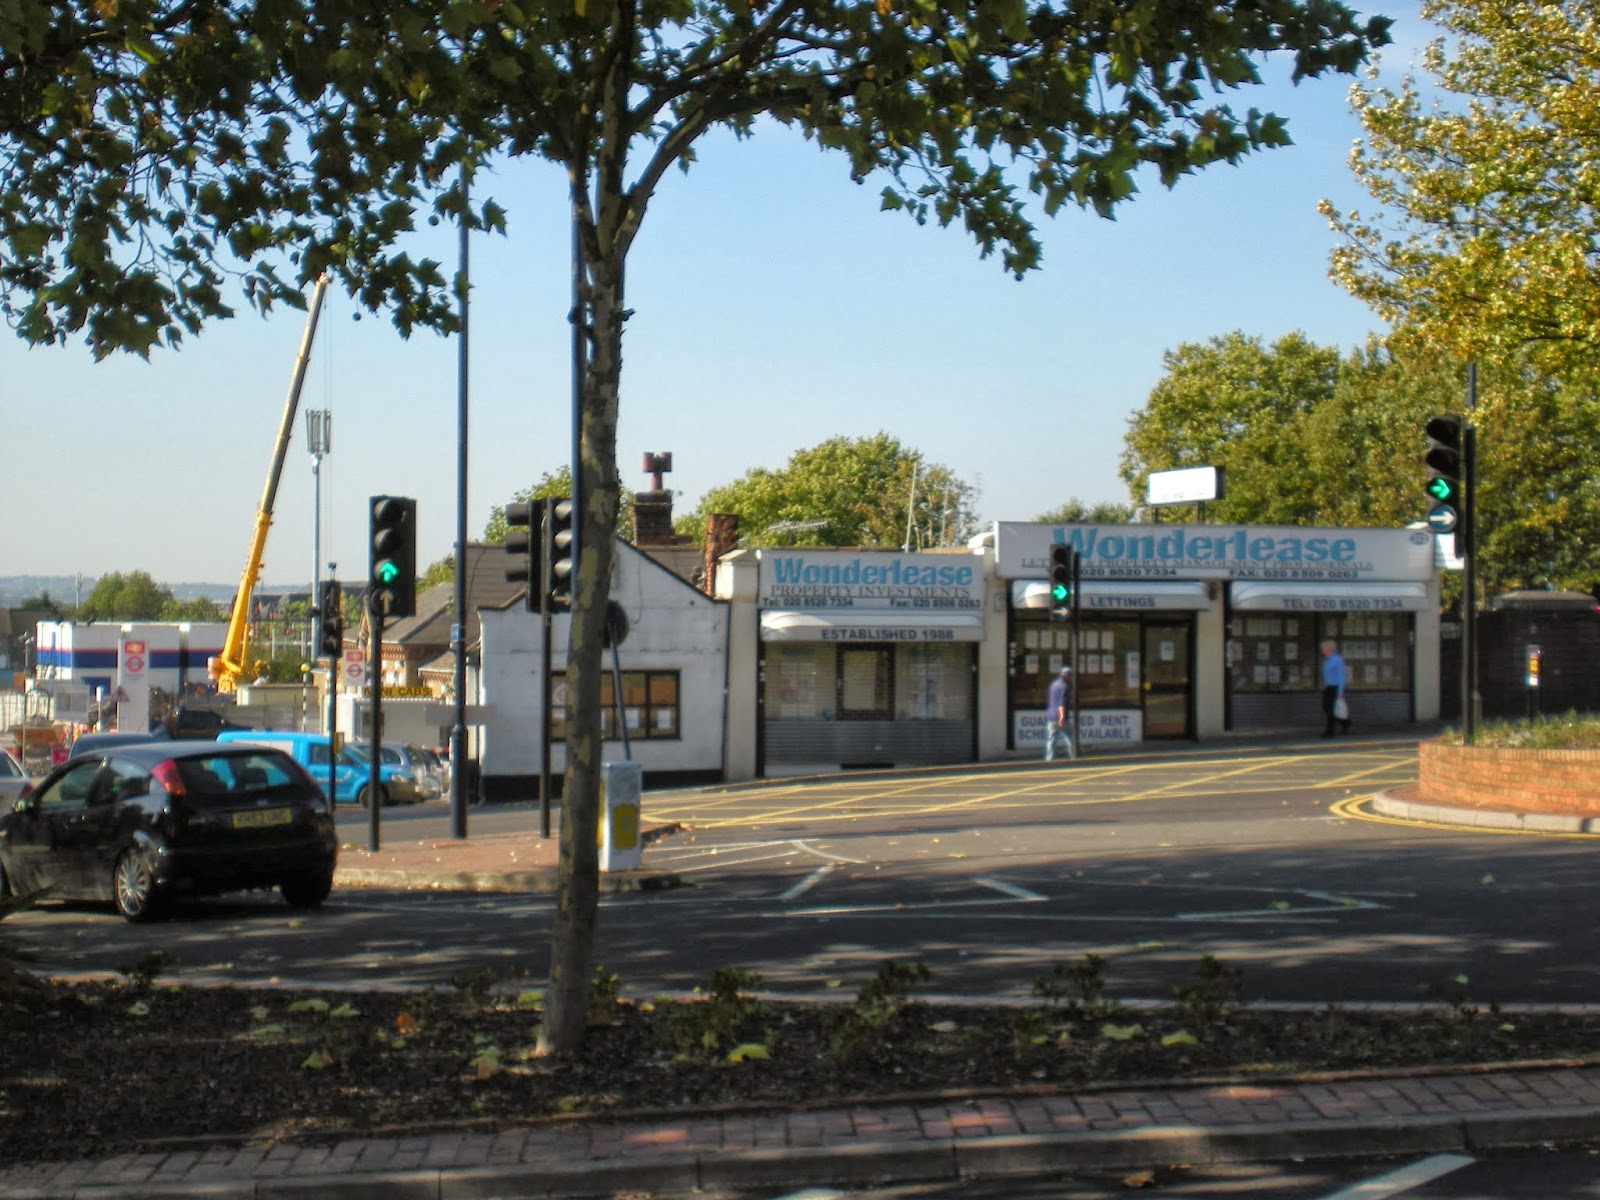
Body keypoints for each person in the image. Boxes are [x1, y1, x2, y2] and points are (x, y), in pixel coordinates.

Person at [1319, 639, 1351, 737]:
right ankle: (1345, 722)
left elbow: (1341, 676)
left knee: (1330, 709)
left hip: (1335, 687)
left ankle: (1330, 731)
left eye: (1324, 648)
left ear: (1330, 649)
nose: (1322, 650)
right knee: (1326, 707)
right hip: (1328, 687)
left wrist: (1340, 691)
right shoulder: (1326, 660)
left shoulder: (1338, 659)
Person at [1043, 665, 1074, 762]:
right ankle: (1074, 756)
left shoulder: (1053, 684)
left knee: (1051, 739)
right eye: (1069, 675)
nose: (1070, 677)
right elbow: (1062, 704)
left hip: (1051, 715)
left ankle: (1049, 759)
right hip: (1060, 716)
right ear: (1066, 676)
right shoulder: (1064, 687)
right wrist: (1062, 717)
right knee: (1070, 737)